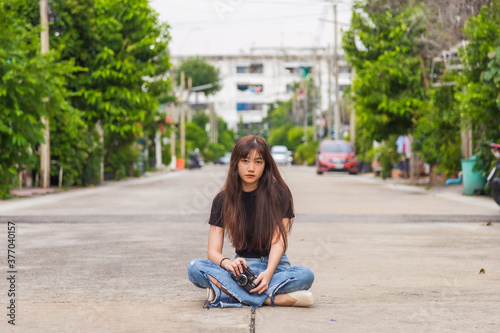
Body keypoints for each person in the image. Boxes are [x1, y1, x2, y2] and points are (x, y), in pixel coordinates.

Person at [187, 135, 314, 309]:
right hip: (241, 269)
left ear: (266, 166)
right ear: (236, 163)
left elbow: (278, 241)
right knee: (194, 267)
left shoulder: (280, 194)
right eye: (245, 161)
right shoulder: (222, 200)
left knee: (306, 275)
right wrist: (228, 263)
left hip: (275, 266)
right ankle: (271, 299)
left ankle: (228, 294)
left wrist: (268, 273)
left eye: (258, 162)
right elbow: (213, 251)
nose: (251, 168)